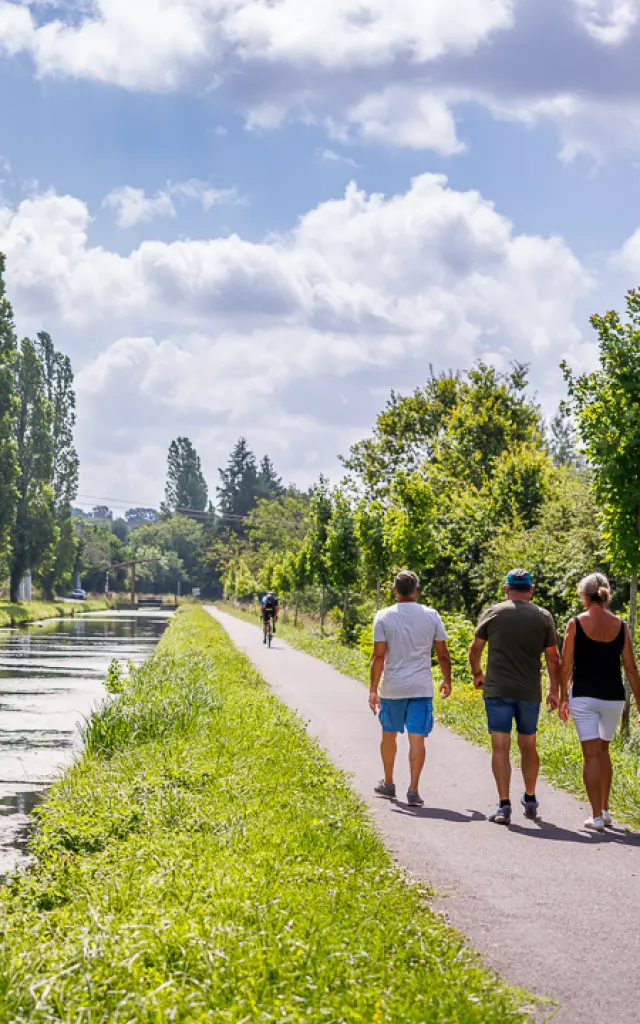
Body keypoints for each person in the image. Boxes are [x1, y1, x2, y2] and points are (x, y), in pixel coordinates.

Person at [468, 568, 561, 825]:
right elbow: (553, 658)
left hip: (497, 689)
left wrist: (477, 674)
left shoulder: (493, 612)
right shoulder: (543, 617)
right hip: (529, 692)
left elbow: (474, 649)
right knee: (528, 745)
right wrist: (555, 691)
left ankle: (504, 805)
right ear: (530, 590)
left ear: (506, 589)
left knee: (500, 745)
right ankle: (530, 798)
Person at [559, 572, 640, 833]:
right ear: (605, 596)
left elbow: (566, 664)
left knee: (590, 754)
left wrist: (562, 696)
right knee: (604, 751)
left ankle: (595, 816)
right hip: (614, 698)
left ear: (585, 596)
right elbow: (631, 669)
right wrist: (639, 704)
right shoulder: (621, 625)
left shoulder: (576, 623)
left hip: (584, 695)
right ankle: (605, 811)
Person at [369, 570, 452, 807]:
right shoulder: (431, 615)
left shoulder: (383, 616)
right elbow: (442, 654)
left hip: (393, 687)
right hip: (421, 687)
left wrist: (373, 688)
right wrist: (447, 680)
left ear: (395, 591)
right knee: (418, 739)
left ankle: (388, 782)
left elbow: (378, 656)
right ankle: (413, 789)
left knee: (389, 735)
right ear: (417, 590)